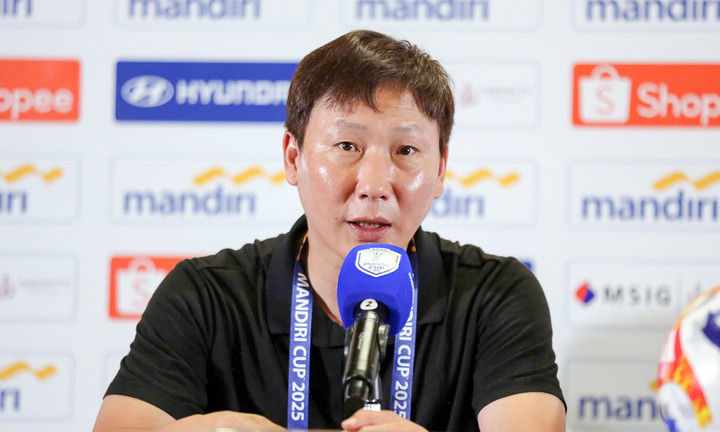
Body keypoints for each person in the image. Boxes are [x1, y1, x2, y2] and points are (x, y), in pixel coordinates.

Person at [92, 30, 566, 432]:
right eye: (346, 146)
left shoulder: (494, 295)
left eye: (405, 151)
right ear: (292, 157)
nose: (374, 185)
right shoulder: (206, 297)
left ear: (441, 169)